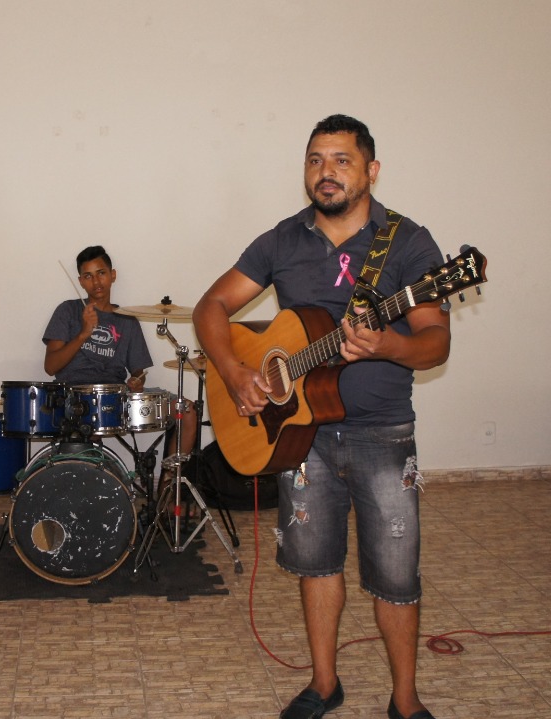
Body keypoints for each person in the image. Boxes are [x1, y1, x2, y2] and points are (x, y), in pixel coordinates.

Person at [193, 115, 449, 719]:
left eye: (340, 160)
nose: (325, 172)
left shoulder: (409, 243)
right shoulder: (282, 240)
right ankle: (324, 684)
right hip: (300, 436)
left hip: (382, 433)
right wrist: (235, 372)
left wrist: (387, 344)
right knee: (315, 566)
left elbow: (435, 342)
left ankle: (406, 700)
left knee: (396, 576)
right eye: (315, 160)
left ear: (371, 170)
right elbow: (211, 306)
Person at [42, 246, 198, 502]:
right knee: (85, 428)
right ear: (81, 281)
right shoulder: (68, 311)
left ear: (112, 275)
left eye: (101, 273)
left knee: (187, 410)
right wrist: (83, 333)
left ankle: (167, 491)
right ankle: (84, 494)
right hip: (76, 398)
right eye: (88, 276)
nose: (96, 281)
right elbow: (51, 366)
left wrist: (137, 380)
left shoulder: (127, 320)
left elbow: (138, 371)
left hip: (116, 397)